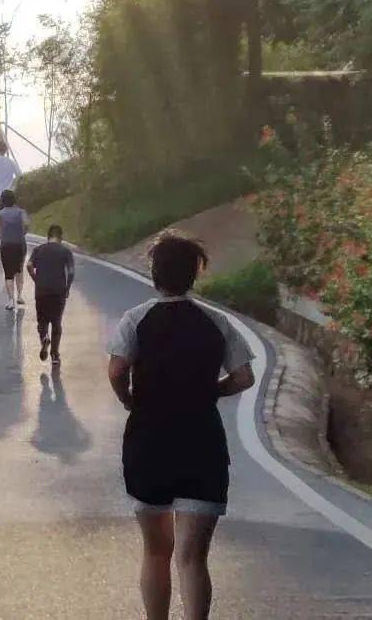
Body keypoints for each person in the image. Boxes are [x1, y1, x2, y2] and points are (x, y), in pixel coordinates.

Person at [105, 232, 255, 620]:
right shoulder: (217, 321)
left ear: (155, 275)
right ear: (194, 275)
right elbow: (243, 378)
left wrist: (128, 398)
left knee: (156, 550)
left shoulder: (135, 319)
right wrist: (210, 391)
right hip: (201, 443)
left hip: (148, 441)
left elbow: (117, 369)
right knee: (192, 558)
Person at [26, 224, 76, 364]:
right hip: (58, 291)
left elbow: (29, 266)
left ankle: (44, 338)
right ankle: (55, 355)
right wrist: (67, 288)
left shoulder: (38, 250)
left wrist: (36, 280)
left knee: (42, 321)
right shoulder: (65, 251)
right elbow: (71, 272)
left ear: (48, 237)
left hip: (41, 291)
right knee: (56, 322)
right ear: (60, 237)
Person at [0, 189, 29, 310]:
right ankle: (20, 296)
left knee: (8, 274)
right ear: (14, 199)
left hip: (6, 246)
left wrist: (3, 234)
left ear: (2, 201)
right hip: (20, 245)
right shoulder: (21, 212)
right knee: (19, 270)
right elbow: (27, 224)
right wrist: (22, 232)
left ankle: (10, 301)